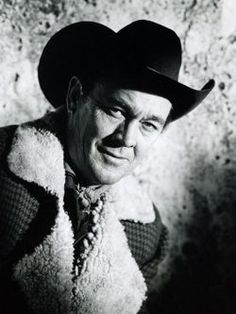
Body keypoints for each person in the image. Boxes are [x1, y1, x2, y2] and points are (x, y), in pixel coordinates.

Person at [0, 20, 214, 314]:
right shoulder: (4, 166)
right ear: (75, 97)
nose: (127, 138)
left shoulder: (147, 235)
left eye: (149, 125)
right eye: (116, 110)